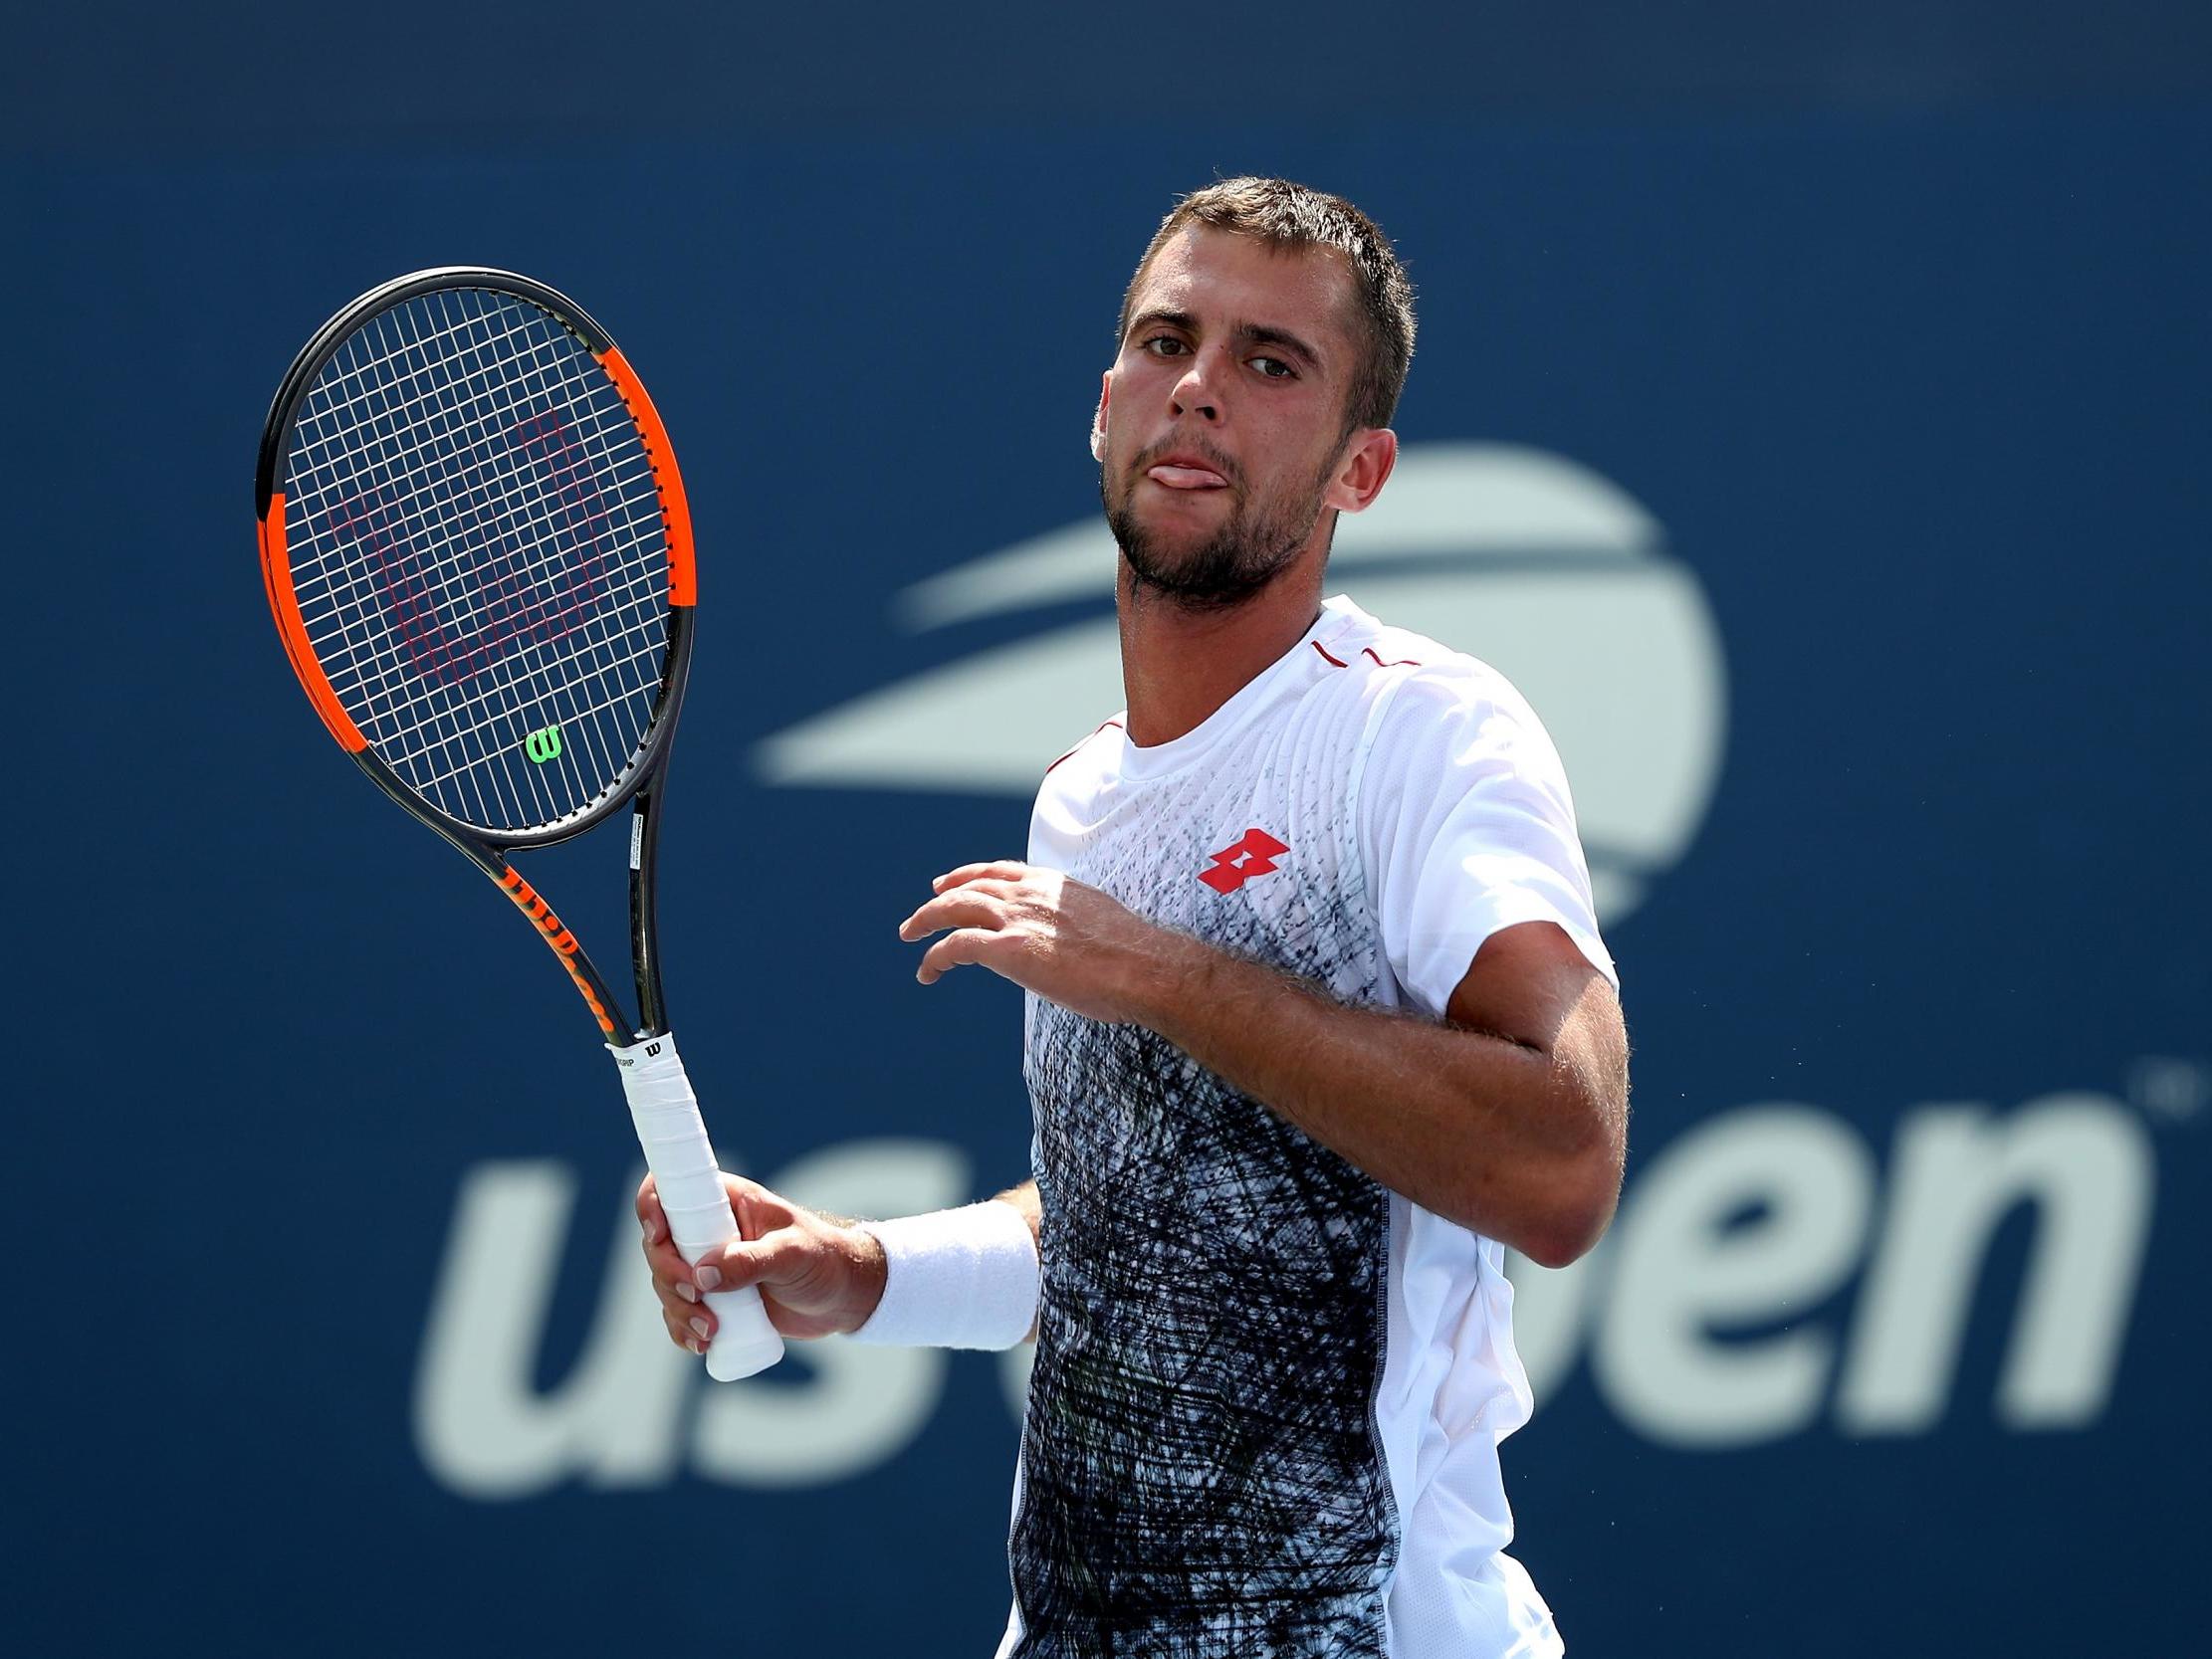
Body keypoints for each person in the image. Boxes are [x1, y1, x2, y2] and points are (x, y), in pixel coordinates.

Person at [637, 177, 1630, 1657]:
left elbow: (1561, 1168)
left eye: (1268, 363)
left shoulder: (1422, 736)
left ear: (1362, 472)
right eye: (1166, 341)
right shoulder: (1083, 802)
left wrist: (1159, 972)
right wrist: (867, 1273)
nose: (1199, 391)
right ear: (1104, 405)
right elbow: (1159, 1219)